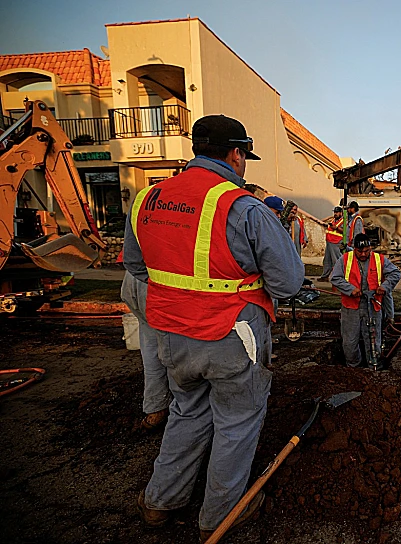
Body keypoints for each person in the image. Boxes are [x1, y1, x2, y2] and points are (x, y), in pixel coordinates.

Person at [125, 114, 304, 541]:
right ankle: (221, 514)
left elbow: (137, 266)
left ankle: (160, 501)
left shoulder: (148, 198)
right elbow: (289, 282)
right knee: (237, 420)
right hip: (231, 334)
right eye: (244, 156)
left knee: (187, 411)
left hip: (172, 333)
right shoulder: (243, 207)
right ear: (236, 154)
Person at [330, 233, 401, 368]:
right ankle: (353, 367)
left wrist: (384, 287)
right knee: (350, 342)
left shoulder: (379, 259)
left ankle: (375, 368)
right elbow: (335, 278)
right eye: (360, 251)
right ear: (354, 248)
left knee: (374, 341)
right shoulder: (345, 259)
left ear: (370, 248)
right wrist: (350, 289)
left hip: (373, 306)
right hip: (351, 308)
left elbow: (395, 273)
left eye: (366, 251)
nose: (363, 254)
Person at [120, 270, 171, 431]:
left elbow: (131, 257)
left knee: (151, 345)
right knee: (177, 352)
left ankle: (156, 408)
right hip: (163, 283)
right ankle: (182, 411)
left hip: (136, 279)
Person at [320, 206, 344, 281]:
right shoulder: (333, 220)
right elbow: (323, 222)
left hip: (336, 242)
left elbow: (345, 231)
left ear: (341, 213)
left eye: (337, 212)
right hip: (329, 242)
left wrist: (336, 228)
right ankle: (325, 276)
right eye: (334, 212)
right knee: (327, 260)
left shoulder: (343, 221)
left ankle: (339, 277)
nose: (335, 214)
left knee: (336, 260)